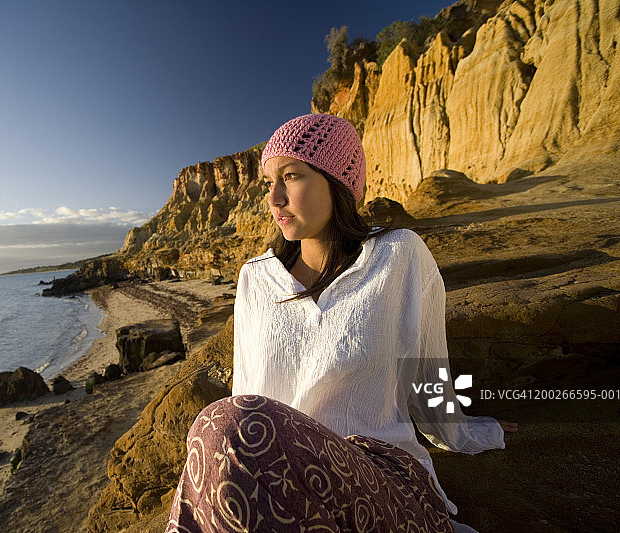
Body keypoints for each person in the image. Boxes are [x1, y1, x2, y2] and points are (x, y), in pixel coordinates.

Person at [166, 113, 517, 532]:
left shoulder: (398, 256)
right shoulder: (255, 278)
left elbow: (425, 371)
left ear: (339, 183)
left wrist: (471, 432)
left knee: (228, 420)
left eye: (292, 176)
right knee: (220, 428)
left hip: (378, 476)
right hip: (281, 476)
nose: (274, 198)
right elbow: (248, 387)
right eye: (268, 183)